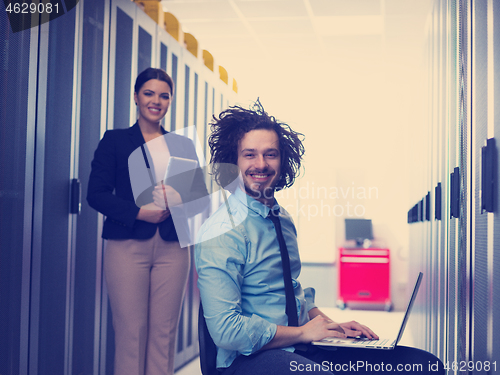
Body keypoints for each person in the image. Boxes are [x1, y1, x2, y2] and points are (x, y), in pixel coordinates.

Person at [194, 101, 444, 374]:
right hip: (247, 359)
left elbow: (292, 295)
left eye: (271, 154)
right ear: (234, 161)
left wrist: (332, 326)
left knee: (422, 366)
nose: (261, 164)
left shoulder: (282, 220)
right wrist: (302, 333)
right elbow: (227, 331)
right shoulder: (221, 231)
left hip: (297, 345)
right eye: (250, 155)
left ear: (283, 160)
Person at [87, 67, 208, 375]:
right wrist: (140, 212)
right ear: (136, 97)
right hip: (127, 246)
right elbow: (96, 194)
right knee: (132, 334)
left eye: (164, 95)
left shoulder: (181, 145)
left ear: (170, 101)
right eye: (149, 93)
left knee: (164, 334)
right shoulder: (114, 141)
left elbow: (200, 200)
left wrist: (179, 199)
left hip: (173, 248)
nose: (157, 101)